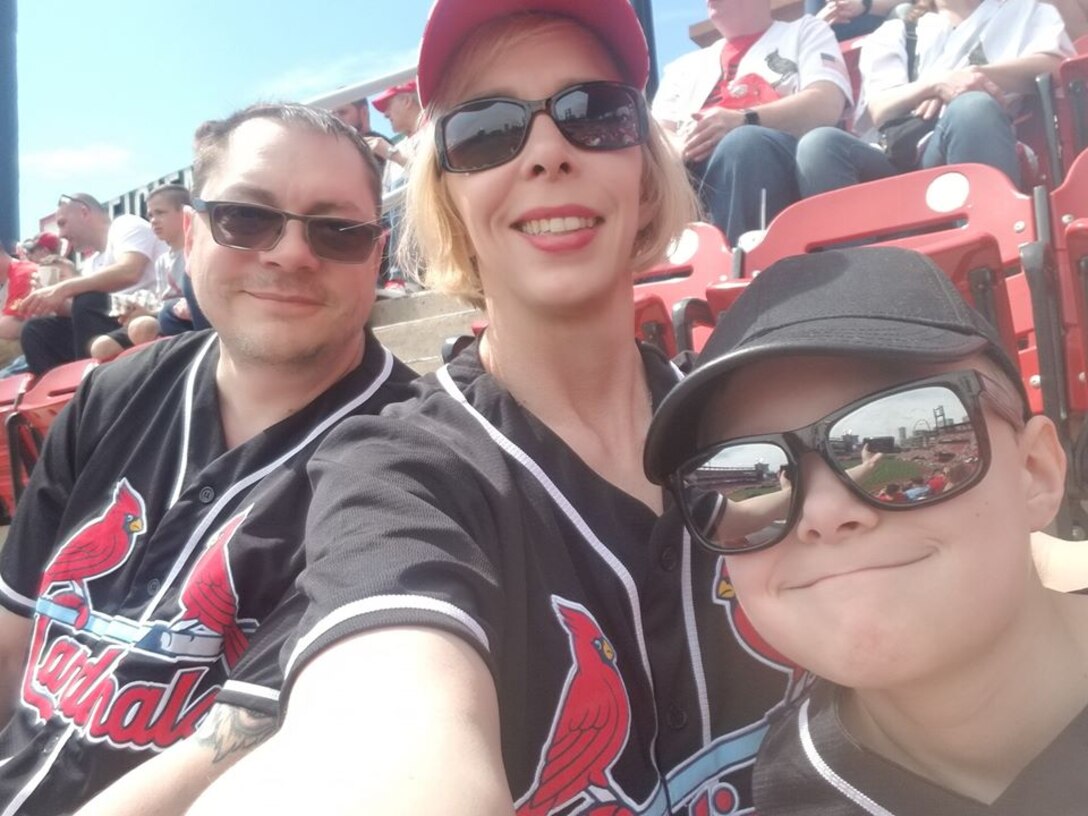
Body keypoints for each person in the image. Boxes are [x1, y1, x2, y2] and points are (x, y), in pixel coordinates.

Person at [185, 1, 805, 813]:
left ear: (647, 177)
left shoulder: (761, 424)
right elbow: (377, 730)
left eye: (596, 113)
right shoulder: (398, 472)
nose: (548, 151)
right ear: (449, 202)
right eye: (486, 130)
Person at [0, 103, 415, 816]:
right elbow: (12, 634)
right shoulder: (114, 392)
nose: (290, 253)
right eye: (246, 218)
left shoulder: (413, 459)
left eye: (337, 230)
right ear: (190, 235)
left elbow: (253, 748)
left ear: (375, 254)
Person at [644, 247, 1083, 812]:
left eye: (903, 435)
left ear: (1035, 472)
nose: (822, 513)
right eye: (751, 475)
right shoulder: (786, 795)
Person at [795, 0, 1072, 197]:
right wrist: (937, 84)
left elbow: (1054, 66)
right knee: (818, 143)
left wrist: (971, 76)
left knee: (971, 107)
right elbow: (881, 108)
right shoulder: (898, 31)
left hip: (972, 138)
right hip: (901, 157)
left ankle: (990, 249)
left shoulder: (1027, 10)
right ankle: (857, 272)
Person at [652, 0, 852, 245]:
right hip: (689, 171)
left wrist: (743, 119)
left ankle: (740, 270)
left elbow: (826, 102)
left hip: (770, 160)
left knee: (743, 142)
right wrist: (687, 148)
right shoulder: (682, 67)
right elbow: (660, 134)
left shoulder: (805, 31)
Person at [19, 193, 162, 374]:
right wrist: (49, 299)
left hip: (145, 318)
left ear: (84, 212)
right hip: (111, 325)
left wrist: (63, 288)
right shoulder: (91, 264)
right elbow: (79, 314)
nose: (61, 234)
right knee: (36, 330)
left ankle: (93, 384)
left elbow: (130, 271)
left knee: (87, 300)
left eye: (63, 223)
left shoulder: (125, 225)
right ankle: (63, 396)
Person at [89, 184, 192, 361]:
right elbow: (162, 300)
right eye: (150, 215)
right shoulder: (162, 261)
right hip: (162, 315)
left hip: (184, 319)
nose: (153, 220)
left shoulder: (198, 252)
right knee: (101, 346)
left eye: (160, 213)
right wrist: (143, 308)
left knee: (142, 327)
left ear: (185, 213)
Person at [806, 0, 902, 40]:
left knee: (903, 9)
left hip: (885, 38)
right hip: (834, 54)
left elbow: (913, 6)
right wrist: (819, 23)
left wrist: (865, 5)